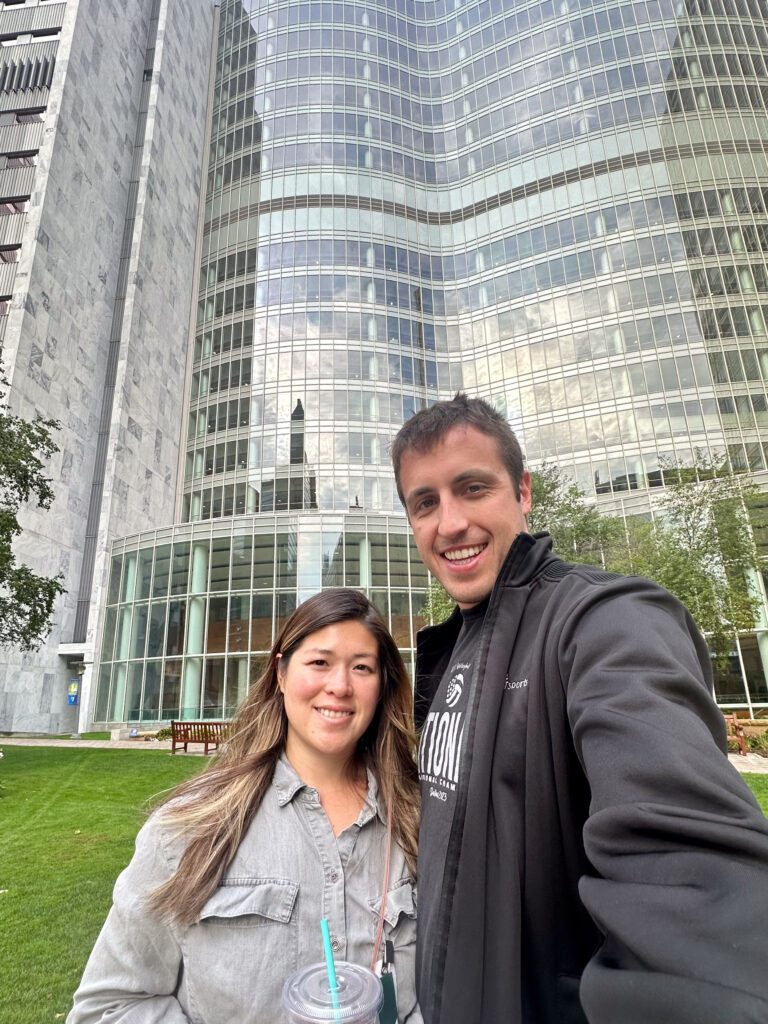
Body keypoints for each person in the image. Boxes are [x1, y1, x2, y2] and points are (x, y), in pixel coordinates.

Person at [391, 393, 768, 1024]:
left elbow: (689, 872)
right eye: (424, 502)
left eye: (473, 487)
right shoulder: (451, 649)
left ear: (524, 492)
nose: (449, 522)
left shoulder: (604, 621)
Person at [67, 590, 421, 1024]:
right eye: (319, 662)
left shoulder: (418, 822)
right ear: (281, 674)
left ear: (383, 685)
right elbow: (109, 1007)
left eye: (362, 667)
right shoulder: (191, 827)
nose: (341, 685)